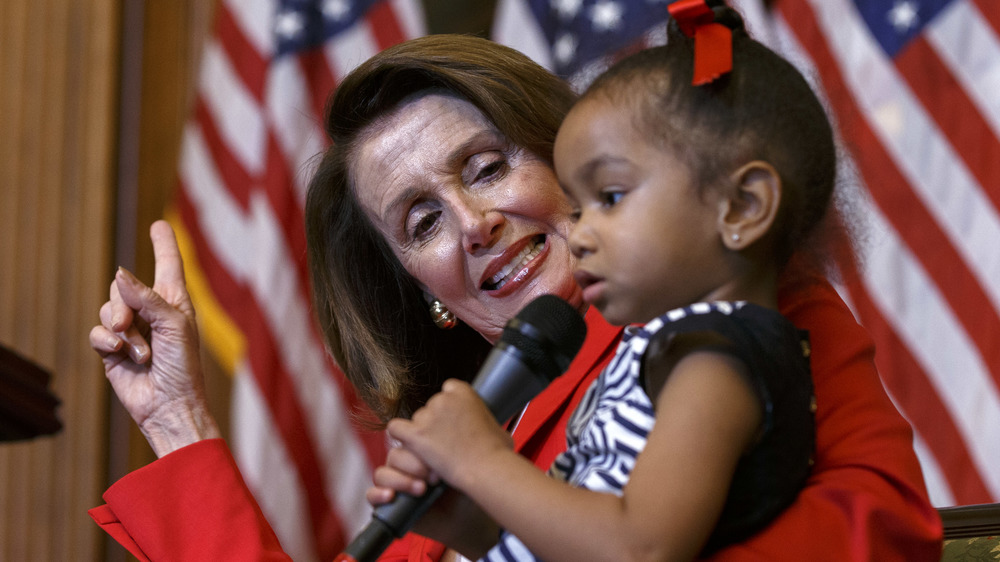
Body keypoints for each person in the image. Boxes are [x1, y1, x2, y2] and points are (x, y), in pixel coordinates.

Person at [88, 26, 942, 562]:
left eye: (488, 167)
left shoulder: (734, 316)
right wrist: (176, 420)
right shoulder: (450, 469)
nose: (470, 222)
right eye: (421, 222)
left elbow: (876, 537)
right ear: (422, 288)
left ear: (569, 159)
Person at [366, 4, 834, 560]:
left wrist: (482, 465)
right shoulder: (664, 353)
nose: (581, 229)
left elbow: (639, 548)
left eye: (609, 199)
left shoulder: (717, 359)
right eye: (423, 224)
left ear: (741, 208)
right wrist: (478, 534)